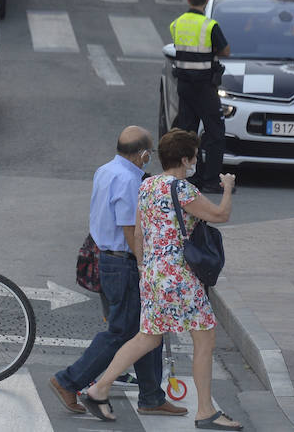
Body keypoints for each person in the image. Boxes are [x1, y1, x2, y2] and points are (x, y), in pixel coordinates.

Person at [79, 130, 239, 429]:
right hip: (180, 277)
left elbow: (138, 233)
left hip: (152, 274)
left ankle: (98, 389)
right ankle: (205, 411)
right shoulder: (183, 190)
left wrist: (145, 268)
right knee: (204, 338)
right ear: (184, 159)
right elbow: (220, 215)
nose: (195, 162)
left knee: (147, 338)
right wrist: (228, 188)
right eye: (194, 157)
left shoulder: (147, 186)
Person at [47, 128, 187, 417]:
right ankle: (68, 381)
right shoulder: (128, 180)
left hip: (107, 258)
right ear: (144, 154)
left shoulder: (106, 170)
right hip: (123, 262)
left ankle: (151, 396)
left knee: (145, 330)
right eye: (150, 154)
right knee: (122, 331)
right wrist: (145, 264)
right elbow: (129, 228)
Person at [168, 0, 230, 194]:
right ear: (206, 1)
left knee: (187, 131)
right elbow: (225, 51)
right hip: (205, 86)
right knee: (215, 132)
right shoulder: (209, 25)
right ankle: (211, 180)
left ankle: (187, 176)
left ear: (188, 0)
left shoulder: (176, 24)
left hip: (185, 86)